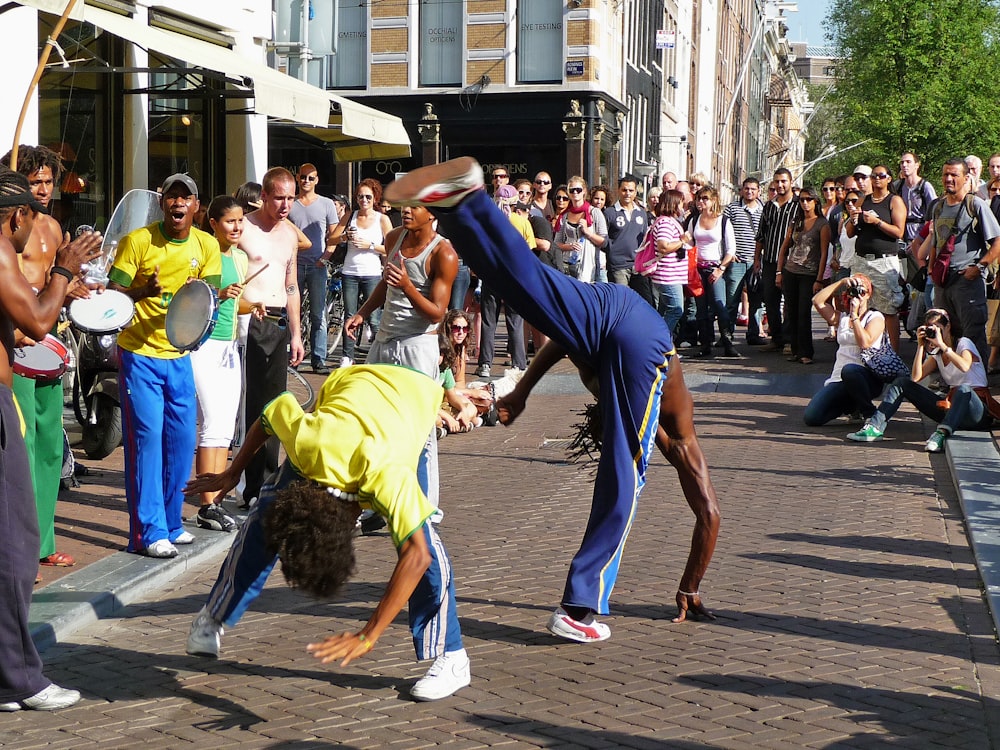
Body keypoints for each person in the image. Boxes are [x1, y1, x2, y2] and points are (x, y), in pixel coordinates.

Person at [385, 157, 721, 638]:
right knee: (626, 470)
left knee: (521, 285)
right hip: (635, 328)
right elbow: (709, 508)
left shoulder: (644, 409)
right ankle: (579, 609)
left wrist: (690, 584)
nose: (608, 432)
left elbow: (707, 512)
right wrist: (521, 391)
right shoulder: (667, 427)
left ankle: (463, 202)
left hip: (614, 308)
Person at [184, 364, 471, 701]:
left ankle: (452, 655)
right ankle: (215, 614)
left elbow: (417, 556)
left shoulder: (387, 473)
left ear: (351, 525)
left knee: (426, 548)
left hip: (411, 394)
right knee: (269, 514)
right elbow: (272, 411)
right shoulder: (307, 443)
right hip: (347, 395)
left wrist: (369, 634)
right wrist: (233, 472)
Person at [0, 168, 100, 712]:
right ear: (17, 217)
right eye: (28, 220)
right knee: (15, 548)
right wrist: (64, 269)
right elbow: (39, 321)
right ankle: (19, 677)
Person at [108, 174, 222, 557]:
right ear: (162, 203)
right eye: (171, 196)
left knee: (181, 442)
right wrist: (143, 291)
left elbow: (208, 299)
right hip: (139, 353)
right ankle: (147, 532)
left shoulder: (207, 244)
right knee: (146, 442)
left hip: (179, 357)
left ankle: (172, 523)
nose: (178, 203)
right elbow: (111, 292)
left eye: (185, 197)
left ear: (195, 206)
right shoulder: (138, 241)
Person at [1, 145, 79, 571]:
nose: (45, 189)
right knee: (24, 445)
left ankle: (43, 540)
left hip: (48, 338)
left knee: (51, 446)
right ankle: (21, 549)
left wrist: (72, 285)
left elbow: (55, 282)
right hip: (18, 340)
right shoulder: (12, 230)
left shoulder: (50, 225)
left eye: (49, 181)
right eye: (35, 183)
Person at [190, 196, 262, 533]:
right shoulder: (204, 252)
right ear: (213, 223)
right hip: (203, 344)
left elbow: (236, 303)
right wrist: (219, 294)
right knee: (211, 422)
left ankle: (215, 500)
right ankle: (206, 503)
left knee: (224, 427)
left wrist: (253, 304)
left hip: (230, 345)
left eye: (240, 221)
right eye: (230, 221)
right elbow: (192, 295)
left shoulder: (241, 257)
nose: (237, 227)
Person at [237, 167, 306, 510]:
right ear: (263, 195)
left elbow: (291, 286)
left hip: (278, 321)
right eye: (279, 197)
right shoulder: (244, 227)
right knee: (250, 406)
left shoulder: (289, 235)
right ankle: (248, 485)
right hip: (249, 320)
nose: (285, 205)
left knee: (276, 405)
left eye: (291, 198)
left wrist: (296, 333)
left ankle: (265, 480)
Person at [847, 308, 1000, 449]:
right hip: (951, 408)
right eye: (931, 330)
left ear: (948, 327)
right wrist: (920, 346)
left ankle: (941, 434)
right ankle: (875, 427)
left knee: (963, 388)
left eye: (939, 329)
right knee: (902, 382)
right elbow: (915, 378)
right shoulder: (938, 353)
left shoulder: (963, 343)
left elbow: (965, 366)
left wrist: (942, 345)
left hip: (976, 411)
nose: (936, 333)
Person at [927, 158, 1000, 366]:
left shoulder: (975, 204)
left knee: (972, 333)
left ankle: (977, 387)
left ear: (966, 178)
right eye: (945, 174)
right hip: (942, 282)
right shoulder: (938, 207)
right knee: (942, 330)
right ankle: (947, 382)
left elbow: (997, 241)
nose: (948, 179)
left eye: (954, 175)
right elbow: (935, 243)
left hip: (967, 282)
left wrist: (979, 268)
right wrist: (932, 268)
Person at [803, 274, 886, 426]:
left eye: (861, 290)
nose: (857, 295)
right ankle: (852, 406)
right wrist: (841, 282)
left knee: (849, 371)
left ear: (868, 294)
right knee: (812, 417)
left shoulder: (875, 317)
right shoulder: (842, 319)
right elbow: (817, 301)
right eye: (852, 290)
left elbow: (865, 343)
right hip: (838, 380)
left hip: (866, 377)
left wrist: (855, 315)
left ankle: (870, 413)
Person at [327, 179, 393, 368]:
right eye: (360, 196)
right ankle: (347, 356)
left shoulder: (382, 219)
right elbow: (331, 239)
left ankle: (378, 356)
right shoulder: (350, 215)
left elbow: (391, 247)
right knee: (350, 314)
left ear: (375, 198)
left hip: (372, 273)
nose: (364, 200)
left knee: (373, 317)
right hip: (350, 272)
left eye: (368, 197)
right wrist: (344, 237)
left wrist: (370, 245)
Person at [845, 164, 907, 351]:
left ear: (889, 178)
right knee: (860, 303)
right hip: (862, 260)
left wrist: (877, 222)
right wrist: (853, 218)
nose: (876, 179)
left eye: (881, 175)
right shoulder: (863, 200)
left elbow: (899, 232)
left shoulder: (894, 201)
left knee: (888, 309)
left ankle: (893, 354)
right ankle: (864, 349)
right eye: (874, 176)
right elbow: (849, 233)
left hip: (883, 261)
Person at [290, 163, 340, 374]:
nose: (306, 181)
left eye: (311, 178)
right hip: (294, 265)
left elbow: (335, 234)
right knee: (291, 311)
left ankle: (319, 359)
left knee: (318, 313)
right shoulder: (290, 204)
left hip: (317, 266)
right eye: (303, 177)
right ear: (297, 179)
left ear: (317, 180)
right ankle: (291, 355)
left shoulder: (327, 204)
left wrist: (325, 257)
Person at [776, 188, 830, 365]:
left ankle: (806, 351)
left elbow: (823, 253)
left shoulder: (822, 224)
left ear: (815, 201)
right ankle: (795, 349)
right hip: (791, 270)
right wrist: (779, 271)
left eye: (808, 199)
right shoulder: (796, 221)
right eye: (802, 200)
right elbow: (785, 246)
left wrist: (819, 279)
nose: (805, 203)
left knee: (803, 312)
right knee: (791, 312)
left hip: (809, 273)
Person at [687, 186, 738, 358]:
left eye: (705, 198)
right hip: (697, 268)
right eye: (699, 198)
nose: (701, 201)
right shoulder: (694, 220)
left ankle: (727, 341)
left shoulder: (723, 221)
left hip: (715, 267)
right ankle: (705, 344)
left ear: (714, 200)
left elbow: (731, 250)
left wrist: (720, 269)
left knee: (719, 304)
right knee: (701, 309)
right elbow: (688, 242)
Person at [754, 167, 798, 353]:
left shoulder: (797, 206)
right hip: (770, 259)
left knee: (789, 300)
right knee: (770, 300)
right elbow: (761, 235)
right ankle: (776, 338)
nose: (780, 185)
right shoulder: (768, 206)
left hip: (791, 261)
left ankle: (789, 339)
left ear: (791, 182)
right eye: (777, 181)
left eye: (784, 181)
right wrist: (757, 259)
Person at [723, 178, 764, 344]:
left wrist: (761, 258)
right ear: (741, 190)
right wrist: (729, 254)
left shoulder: (764, 209)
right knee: (732, 300)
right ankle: (727, 335)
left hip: (756, 261)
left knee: (756, 300)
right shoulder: (732, 209)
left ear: (758, 191)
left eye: (753, 189)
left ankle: (754, 334)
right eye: (746, 189)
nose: (749, 192)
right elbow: (723, 231)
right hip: (737, 261)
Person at [648, 189, 688, 335]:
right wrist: (682, 241)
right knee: (676, 309)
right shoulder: (665, 223)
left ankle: (658, 344)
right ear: (674, 204)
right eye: (681, 203)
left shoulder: (668, 221)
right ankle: (660, 342)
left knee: (663, 311)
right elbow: (663, 246)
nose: (683, 207)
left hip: (670, 275)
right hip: (668, 276)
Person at [554, 176, 608, 284]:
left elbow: (604, 242)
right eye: (572, 190)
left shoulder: (594, 212)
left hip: (588, 265)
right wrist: (569, 247)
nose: (575, 193)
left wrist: (588, 233)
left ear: (584, 191)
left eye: (578, 190)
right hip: (568, 265)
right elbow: (556, 243)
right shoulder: (564, 216)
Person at [603, 175, 647, 288]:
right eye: (624, 190)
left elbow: (645, 238)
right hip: (618, 266)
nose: (627, 193)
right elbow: (603, 239)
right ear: (618, 191)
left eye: (631, 190)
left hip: (638, 265)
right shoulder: (610, 212)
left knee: (643, 300)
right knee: (621, 300)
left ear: (636, 192)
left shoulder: (641, 213)